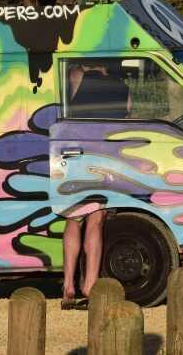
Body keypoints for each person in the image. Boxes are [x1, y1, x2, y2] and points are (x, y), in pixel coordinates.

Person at [61, 60, 131, 309]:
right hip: (105, 154)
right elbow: (128, 115)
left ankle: (68, 284)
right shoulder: (123, 86)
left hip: (76, 153)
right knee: (96, 218)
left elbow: (67, 107)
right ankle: (89, 284)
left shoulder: (77, 75)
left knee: (74, 218)